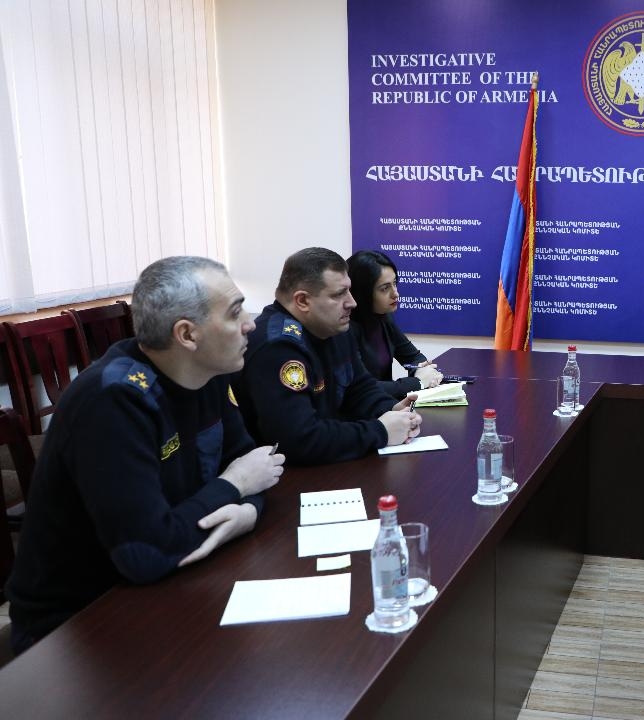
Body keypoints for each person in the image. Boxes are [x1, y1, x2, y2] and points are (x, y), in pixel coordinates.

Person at [5, 257, 283, 654]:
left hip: (172, 576)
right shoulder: (113, 400)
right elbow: (146, 553)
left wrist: (248, 512)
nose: (250, 324)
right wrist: (234, 485)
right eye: (235, 312)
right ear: (187, 335)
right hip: (76, 626)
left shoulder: (207, 373)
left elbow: (257, 465)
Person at [235, 247, 421, 465]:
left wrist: (391, 410)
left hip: (328, 461)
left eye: (349, 290)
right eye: (339, 294)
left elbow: (360, 388)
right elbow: (299, 439)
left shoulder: (334, 328)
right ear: (303, 301)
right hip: (283, 474)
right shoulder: (277, 346)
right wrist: (380, 431)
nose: (352, 302)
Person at [346, 250, 442, 399]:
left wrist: (421, 371)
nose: (395, 293)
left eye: (395, 283)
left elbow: (414, 357)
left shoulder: (384, 318)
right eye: (385, 288)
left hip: (387, 405)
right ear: (363, 292)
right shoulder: (345, 329)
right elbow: (362, 388)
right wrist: (418, 382)